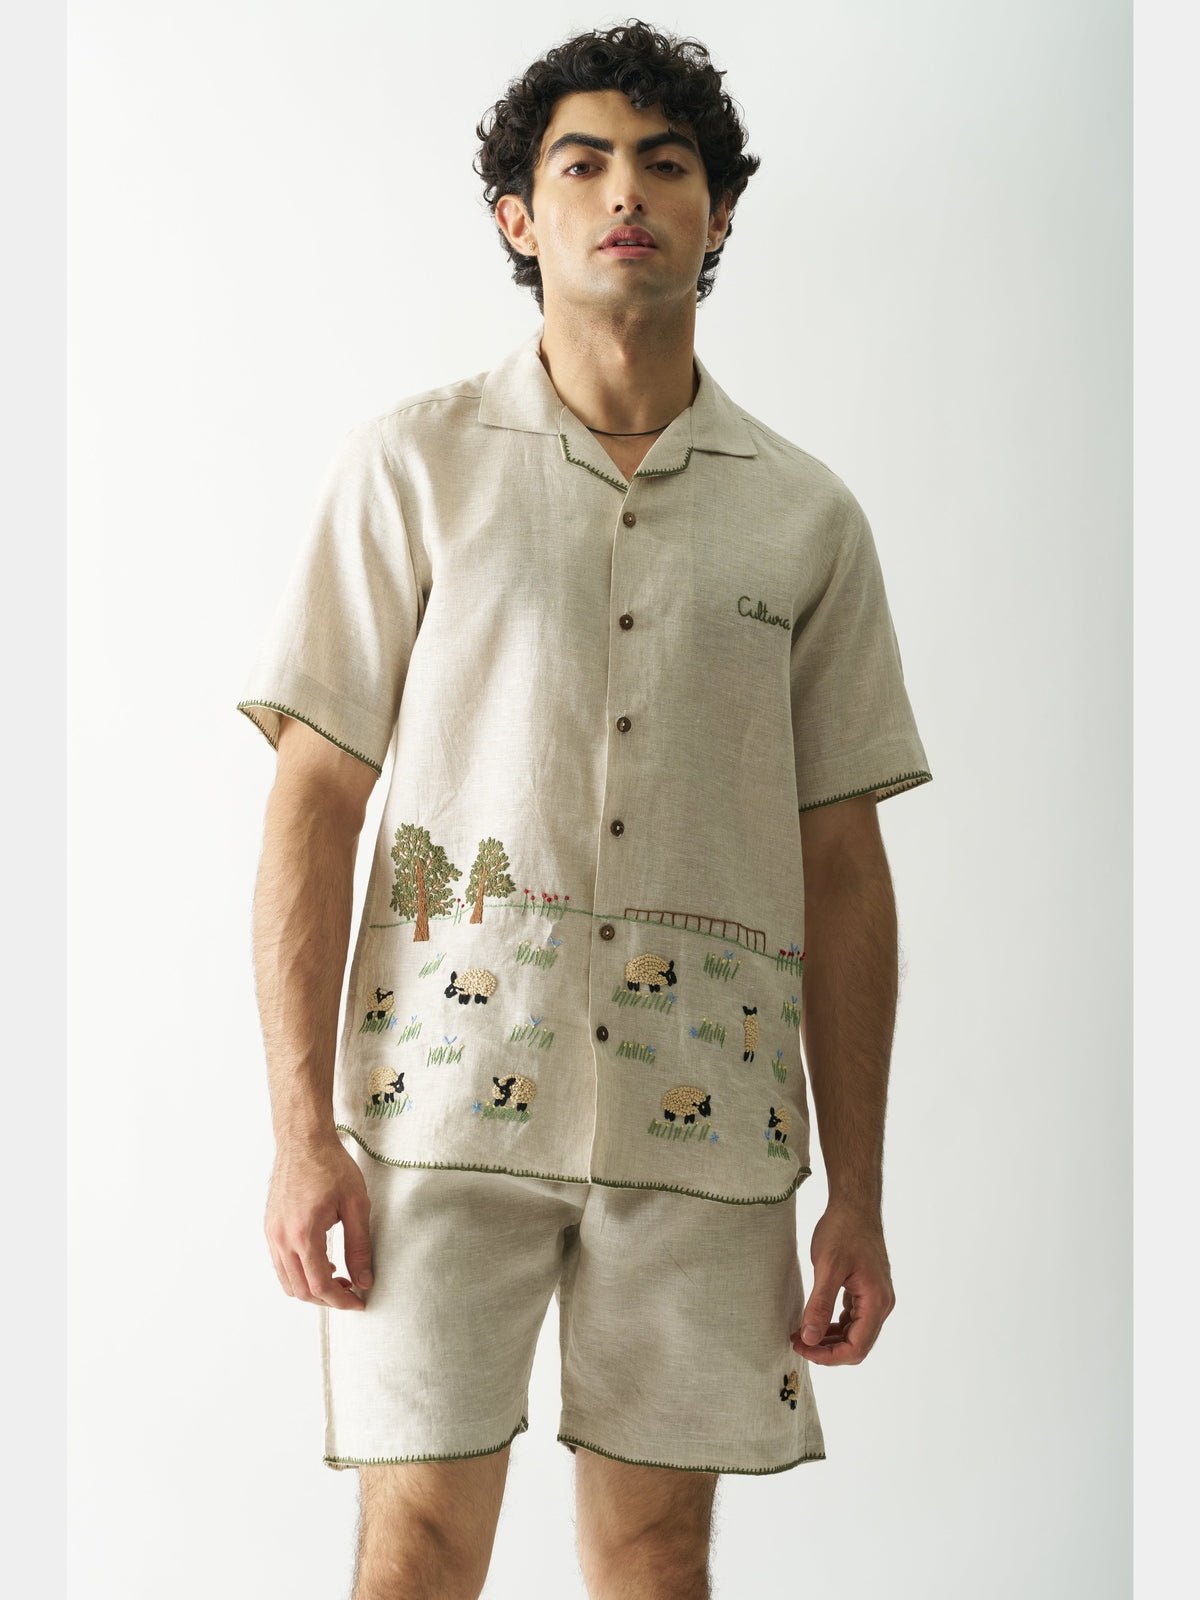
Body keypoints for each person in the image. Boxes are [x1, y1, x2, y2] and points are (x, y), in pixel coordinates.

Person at [238, 19, 933, 1599]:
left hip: (708, 1127)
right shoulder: (412, 468)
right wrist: (297, 1134)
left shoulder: (806, 518)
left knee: (657, 1551)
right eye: (584, 163)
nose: (628, 192)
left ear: (719, 212)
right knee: (417, 1546)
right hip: (436, 1118)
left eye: (667, 165)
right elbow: (313, 803)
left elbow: (845, 865)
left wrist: (862, 1192)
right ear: (519, 215)